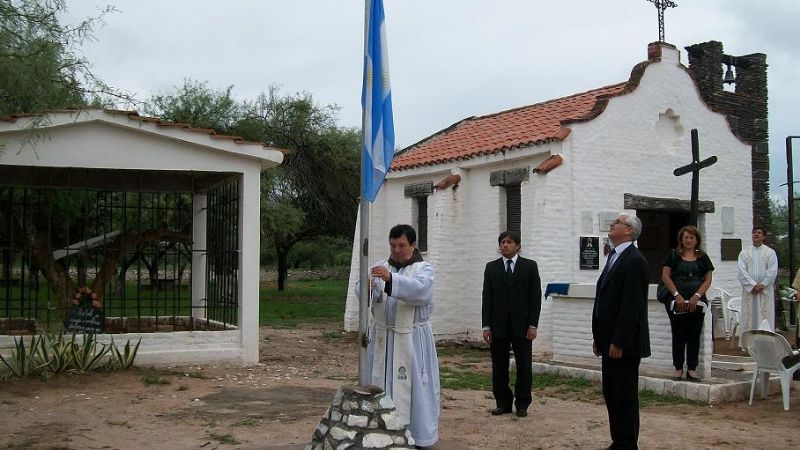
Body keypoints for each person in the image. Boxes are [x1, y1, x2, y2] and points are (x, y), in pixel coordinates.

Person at [366, 224, 440, 447]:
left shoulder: (423, 269)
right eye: (393, 245)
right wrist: (370, 286)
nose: (396, 250)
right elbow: (368, 291)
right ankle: (380, 432)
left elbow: (421, 291)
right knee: (379, 383)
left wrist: (391, 280)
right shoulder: (380, 266)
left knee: (416, 389)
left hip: (412, 339)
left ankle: (418, 435)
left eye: (402, 245)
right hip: (383, 339)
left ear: (413, 245)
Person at [592, 213, 650, 450]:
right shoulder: (615, 257)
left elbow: (631, 306)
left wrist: (619, 341)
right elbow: (605, 300)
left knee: (624, 395)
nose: (611, 225)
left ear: (629, 231)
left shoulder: (634, 260)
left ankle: (627, 443)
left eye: (616, 223)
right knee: (612, 394)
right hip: (608, 340)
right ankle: (619, 440)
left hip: (623, 344)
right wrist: (599, 338)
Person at [481, 231, 542, 418]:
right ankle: (503, 402)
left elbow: (535, 297)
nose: (505, 245)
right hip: (498, 325)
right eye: (502, 242)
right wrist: (486, 326)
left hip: (522, 325)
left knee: (524, 366)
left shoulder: (529, 266)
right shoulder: (491, 268)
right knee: (499, 366)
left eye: (509, 242)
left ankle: (522, 403)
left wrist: (533, 324)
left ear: (518, 246)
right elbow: (487, 297)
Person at [660, 225, 714, 381]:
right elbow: (666, 276)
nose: (689, 240)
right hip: (678, 301)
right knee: (678, 334)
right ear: (681, 239)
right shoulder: (673, 255)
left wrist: (697, 295)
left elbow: (708, 278)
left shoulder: (703, 257)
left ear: (696, 240)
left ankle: (692, 368)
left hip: (696, 302)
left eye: (692, 237)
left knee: (694, 335)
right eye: (686, 237)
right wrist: (676, 295)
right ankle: (678, 367)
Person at [737, 226, 778, 335]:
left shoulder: (770, 253)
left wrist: (763, 284)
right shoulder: (744, 253)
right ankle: (749, 343)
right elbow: (742, 272)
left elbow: (772, 271)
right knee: (749, 316)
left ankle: (765, 342)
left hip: (764, 291)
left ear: (764, 237)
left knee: (765, 315)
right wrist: (752, 285)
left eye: (759, 233)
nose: (756, 234)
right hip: (750, 292)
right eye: (754, 232)